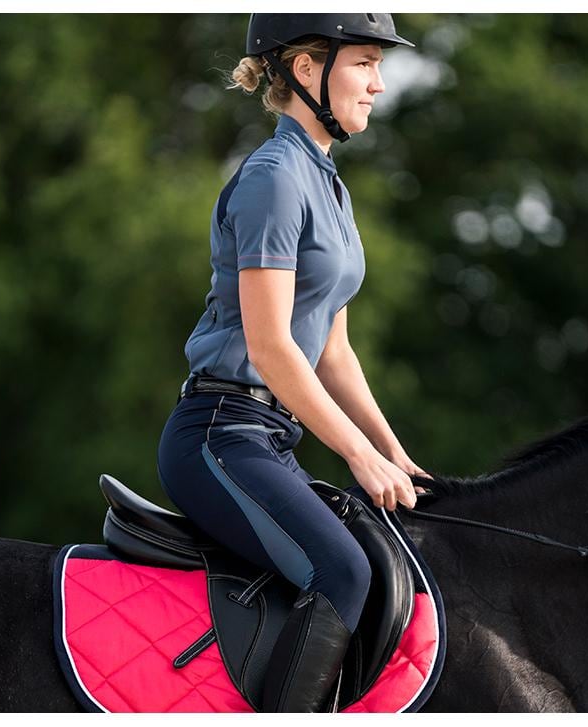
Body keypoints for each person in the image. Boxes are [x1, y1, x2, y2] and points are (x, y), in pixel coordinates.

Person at [157, 13, 433, 712]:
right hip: (220, 434)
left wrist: (398, 456)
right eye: (364, 63)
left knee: (383, 559)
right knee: (341, 569)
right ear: (307, 70)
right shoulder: (275, 179)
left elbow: (334, 352)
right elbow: (275, 348)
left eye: (378, 66)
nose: (377, 84)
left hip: (272, 439)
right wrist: (358, 458)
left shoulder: (330, 188)